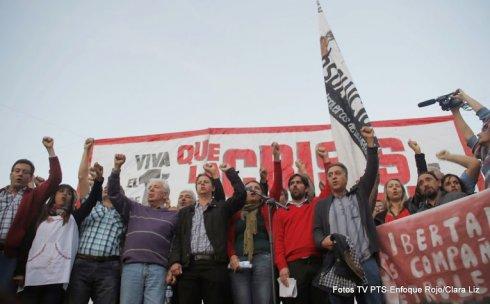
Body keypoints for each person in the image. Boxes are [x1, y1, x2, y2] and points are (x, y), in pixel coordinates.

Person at [313, 126, 382, 304]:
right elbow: (317, 231)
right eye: (330, 175)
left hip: (366, 262)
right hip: (339, 266)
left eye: (338, 173)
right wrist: (322, 240)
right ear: (327, 180)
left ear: (346, 177)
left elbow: (371, 170)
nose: (334, 177)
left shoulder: (359, 194)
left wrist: (370, 144)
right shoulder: (321, 206)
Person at [168, 162, 246, 304]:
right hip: (189, 267)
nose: (202, 184)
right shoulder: (185, 212)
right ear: (196, 187)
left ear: (213, 187)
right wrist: (174, 262)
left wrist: (229, 172)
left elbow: (241, 195)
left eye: (206, 182)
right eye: (199, 183)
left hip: (214, 266)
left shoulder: (221, 208)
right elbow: (178, 239)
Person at [108, 153, 178, 304]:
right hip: (132, 266)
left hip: (158, 269)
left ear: (165, 196)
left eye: (156, 188)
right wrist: (116, 169)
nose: (150, 190)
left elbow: (176, 244)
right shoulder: (134, 208)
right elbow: (113, 194)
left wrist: (171, 267)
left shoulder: (174, 216)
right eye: (149, 187)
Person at [1, 137, 62, 296]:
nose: (20, 174)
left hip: (9, 256)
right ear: (11, 173)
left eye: (25, 172)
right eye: (17, 171)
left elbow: (55, 178)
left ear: (31, 177)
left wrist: (50, 150)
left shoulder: (33, 196)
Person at [272, 142, 331, 304]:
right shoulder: (281, 212)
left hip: (318, 263)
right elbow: (278, 242)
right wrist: (282, 266)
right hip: (293, 267)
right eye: (292, 183)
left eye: (299, 182)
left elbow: (329, 188)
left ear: (306, 188)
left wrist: (326, 160)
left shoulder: (315, 205)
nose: (295, 185)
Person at [68, 163, 126, 304]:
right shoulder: (90, 205)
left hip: (109, 268)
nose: (107, 189)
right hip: (82, 263)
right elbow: (82, 178)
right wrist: (87, 149)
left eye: (112, 189)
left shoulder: (124, 214)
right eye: (106, 188)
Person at [227, 173, 274, 304]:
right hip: (239, 259)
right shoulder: (234, 213)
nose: (253, 190)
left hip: (263, 257)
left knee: (263, 300)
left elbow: (276, 189)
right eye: (249, 188)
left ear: (262, 194)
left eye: (256, 188)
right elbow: (228, 239)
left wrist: (276, 159)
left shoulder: (267, 209)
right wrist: (232, 256)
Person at [450, 89, 490, 188]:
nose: (478, 133)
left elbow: (485, 115)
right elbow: (469, 138)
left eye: (484, 129)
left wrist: (464, 96)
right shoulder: (485, 153)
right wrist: (455, 111)